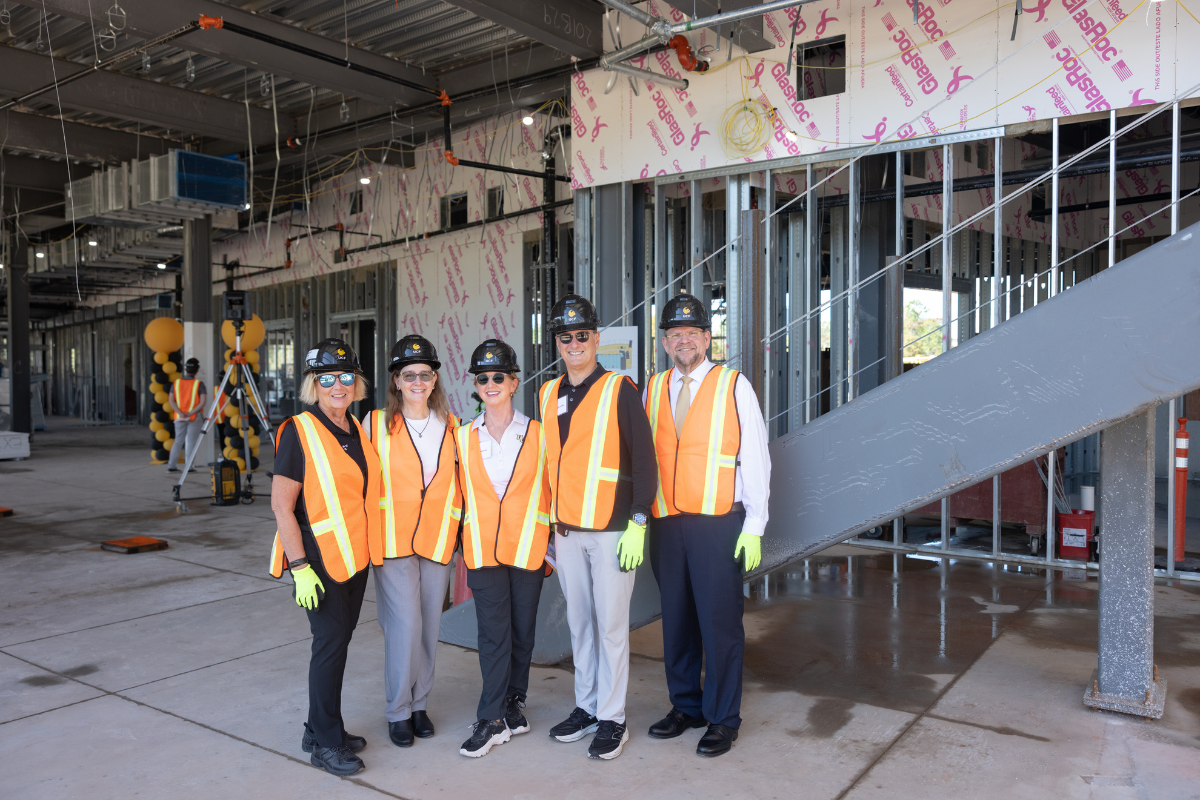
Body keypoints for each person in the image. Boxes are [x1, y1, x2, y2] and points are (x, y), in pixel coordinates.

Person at [642, 294, 770, 757]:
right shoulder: (654, 387)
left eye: (690, 334)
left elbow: (755, 455)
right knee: (676, 620)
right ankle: (686, 705)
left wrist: (755, 523)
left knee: (718, 623)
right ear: (664, 342)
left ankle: (723, 717)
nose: (682, 341)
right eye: (674, 335)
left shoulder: (734, 385)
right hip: (667, 523)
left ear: (706, 338)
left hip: (718, 522)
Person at [538, 294, 657, 761]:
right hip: (566, 532)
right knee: (579, 625)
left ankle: (613, 717)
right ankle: (586, 707)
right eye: (565, 337)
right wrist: (547, 527)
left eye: (581, 335)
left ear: (596, 339)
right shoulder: (548, 393)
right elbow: (549, 465)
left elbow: (644, 461)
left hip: (611, 532)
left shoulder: (620, 389)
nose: (573, 343)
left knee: (610, 627)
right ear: (557, 343)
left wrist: (639, 521)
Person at [268, 339, 384, 777]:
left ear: (358, 383)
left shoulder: (354, 428)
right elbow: (282, 505)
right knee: (330, 648)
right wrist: (298, 568)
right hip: (317, 562)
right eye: (326, 378)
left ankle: (320, 728)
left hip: (354, 558)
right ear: (313, 384)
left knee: (337, 646)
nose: (338, 385)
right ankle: (326, 744)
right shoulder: (299, 430)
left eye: (346, 377)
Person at [362, 335, 461, 748]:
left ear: (434, 379)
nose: (417, 381)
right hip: (393, 541)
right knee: (404, 626)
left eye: (424, 374)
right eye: (408, 375)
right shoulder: (373, 424)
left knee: (428, 627)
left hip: (438, 540)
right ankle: (398, 710)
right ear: (396, 381)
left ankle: (420, 704)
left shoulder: (452, 425)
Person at [455, 339, 552, 758]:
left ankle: (514, 701)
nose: (491, 383)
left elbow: (551, 490)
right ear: (476, 386)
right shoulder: (461, 437)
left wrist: (553, 549)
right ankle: (491, 718)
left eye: (498, 376)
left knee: (522, 631)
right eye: (483, 378)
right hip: (482, 551)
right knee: (493, 635)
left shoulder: (538, 432)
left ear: (514, 382)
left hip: (528, 547)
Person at [167, 357, 206, 472]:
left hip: (179, 418)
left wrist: (180, 413)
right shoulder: (199, 384)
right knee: (191, 442)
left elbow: (171, 400)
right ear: (197, 370)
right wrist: (190, 413)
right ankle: (189, 467)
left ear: (185, 369)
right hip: (194, 417)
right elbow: (203, 402)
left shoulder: (176, 383)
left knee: (178, 441)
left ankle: (171, 466)